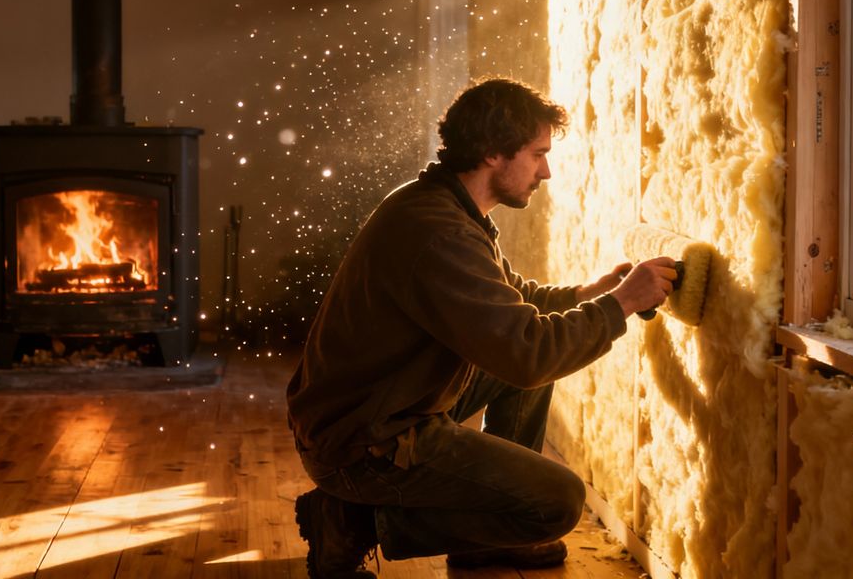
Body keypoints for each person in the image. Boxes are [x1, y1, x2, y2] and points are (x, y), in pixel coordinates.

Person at [286, 78, 679, 577]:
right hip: (362, 442)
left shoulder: (445, 206)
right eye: (537, 154)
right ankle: (349, 519)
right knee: (557, 503)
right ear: (494, 152)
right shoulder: (439, 231)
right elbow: (527, 352)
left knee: (530, 367)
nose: (547, 171)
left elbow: (513, 305)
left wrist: (591, 295)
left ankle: (482, 540)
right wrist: (622, 304)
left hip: (376, 411)